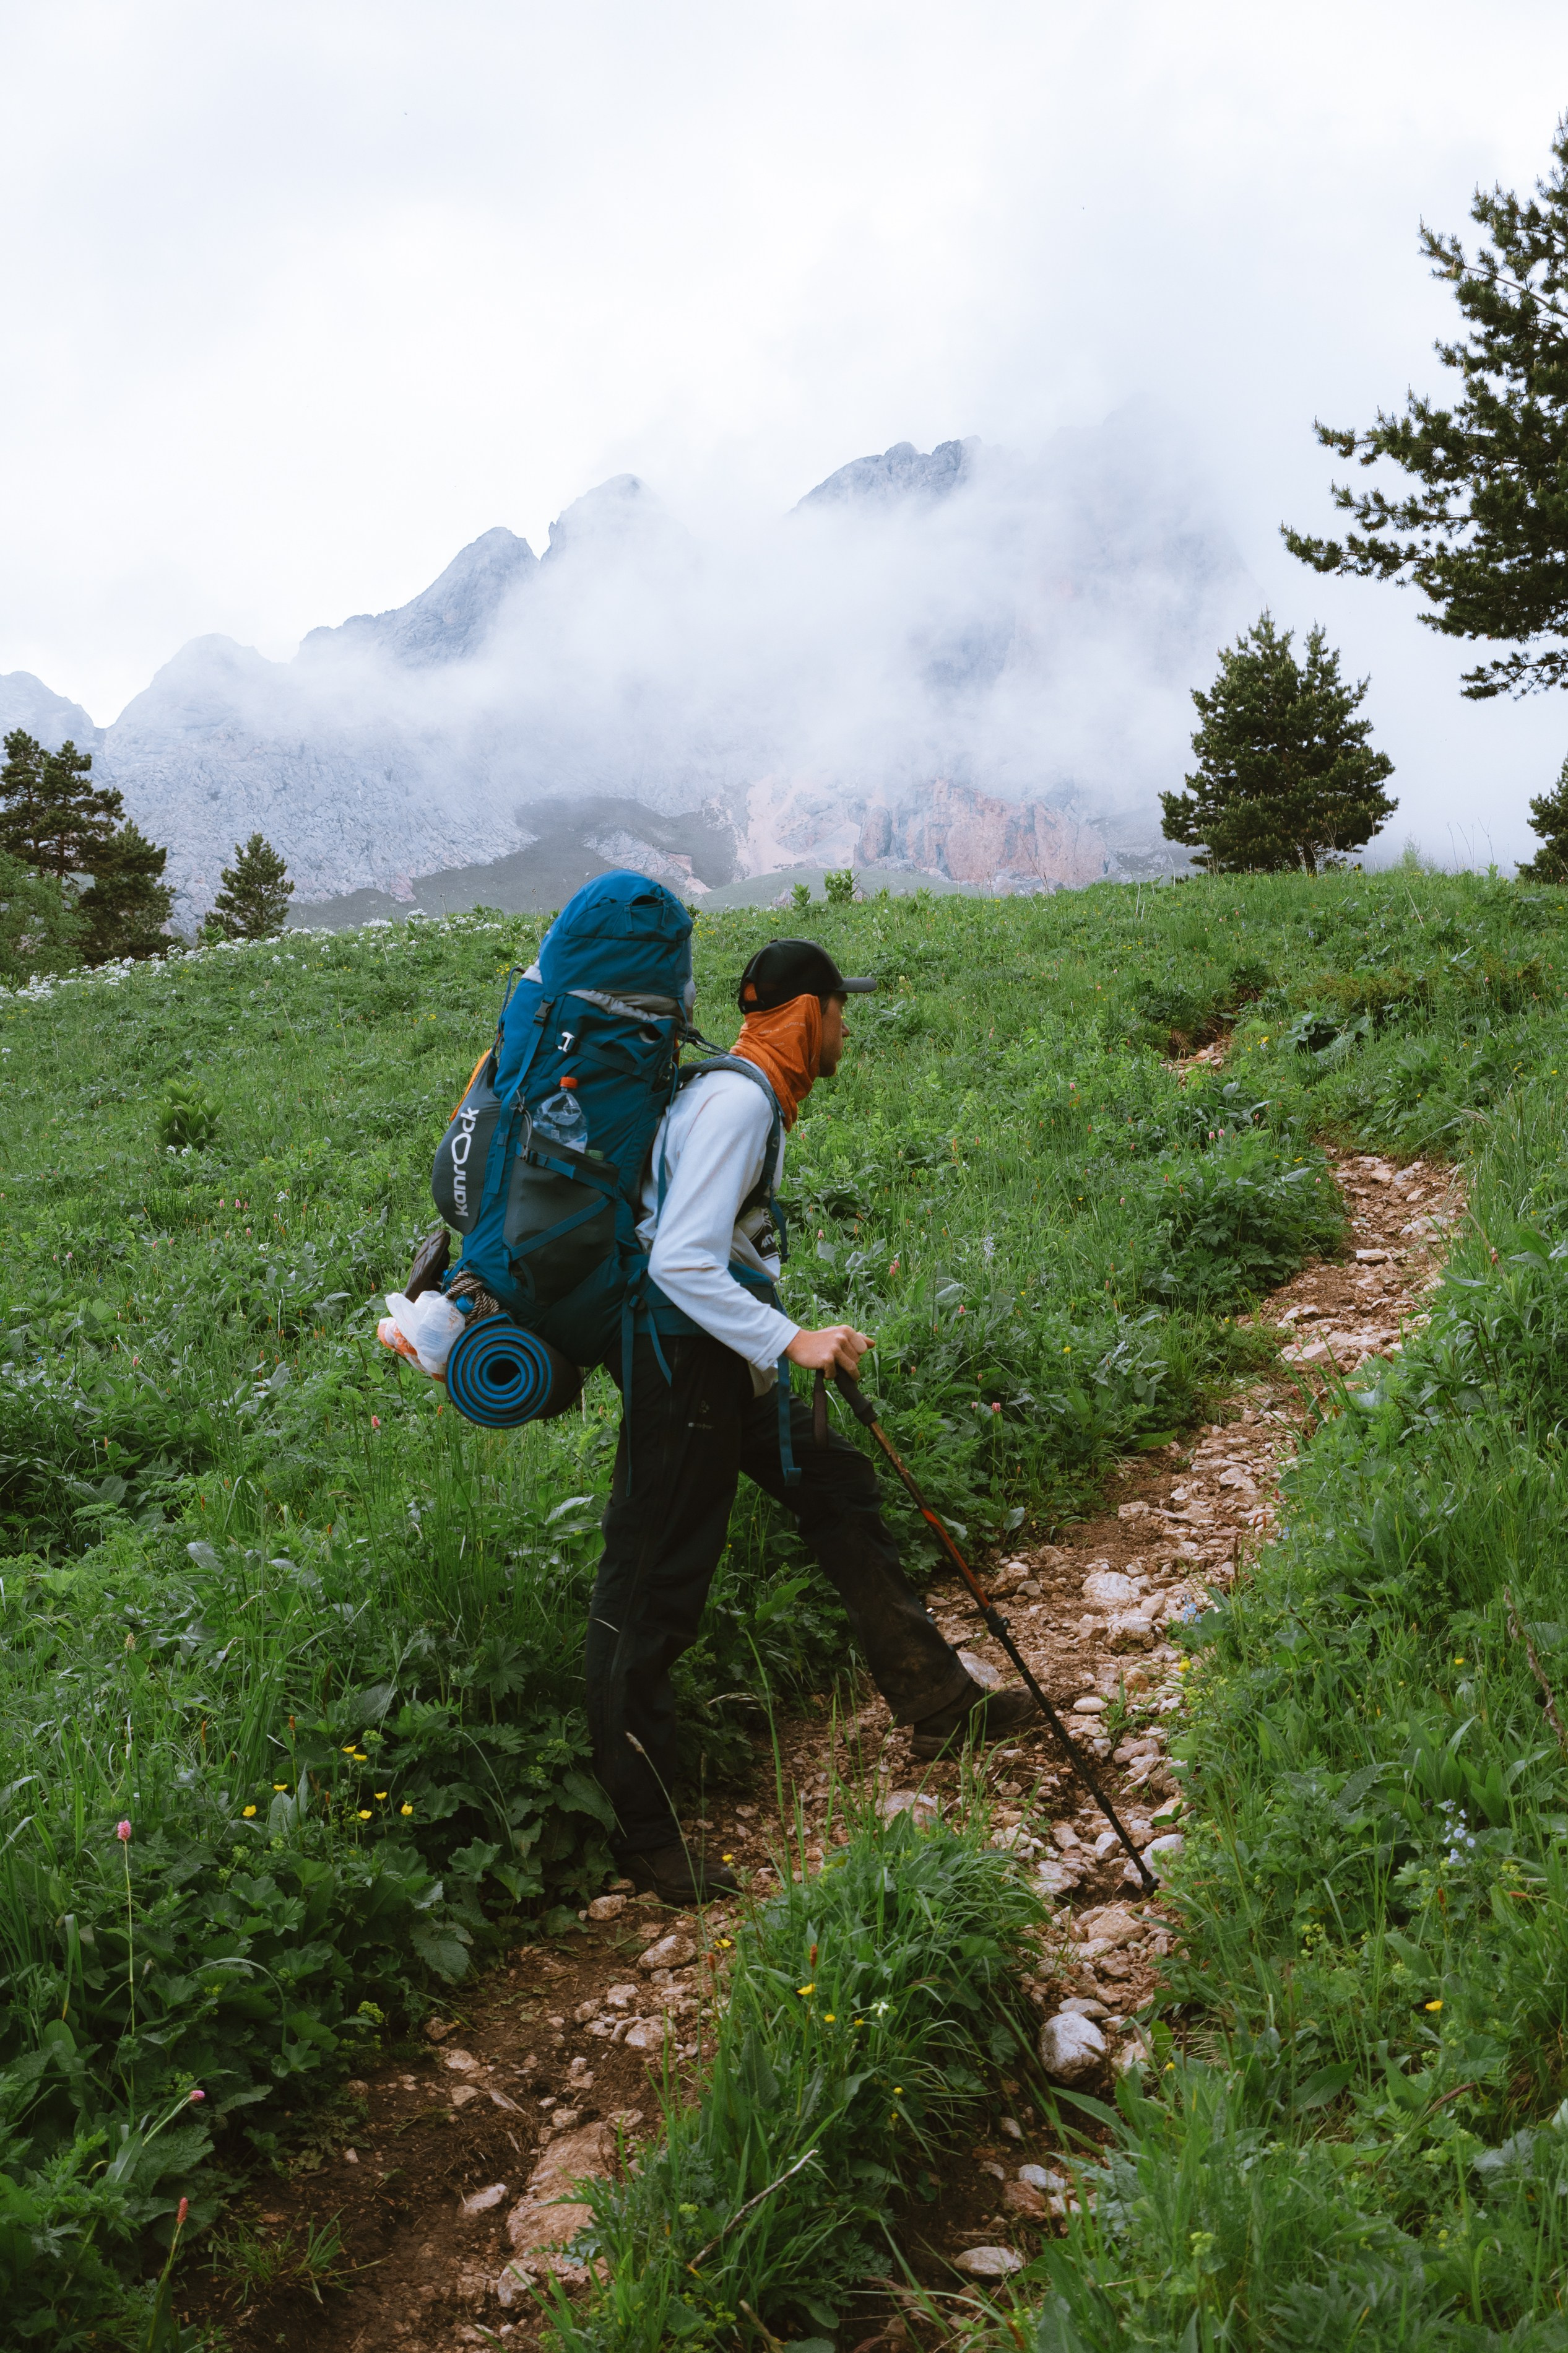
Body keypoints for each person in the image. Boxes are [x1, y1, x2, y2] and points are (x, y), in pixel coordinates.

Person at [586, 935, 1041, 1905]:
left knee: (835, 1483)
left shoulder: (737, 1093)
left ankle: (936, 1702)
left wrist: (775, 1338)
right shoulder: (737, 1104)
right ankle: (644, 1835)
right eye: (839, 1010)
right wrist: (790, 1339)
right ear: (806, 1015)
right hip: (683, 1363)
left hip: (720, 1355)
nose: (845, 1029)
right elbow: (679, 1257)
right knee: (653, 1583)